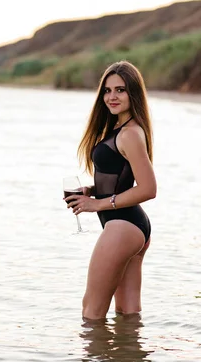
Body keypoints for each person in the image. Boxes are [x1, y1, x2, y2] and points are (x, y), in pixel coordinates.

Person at [64, 61, 156, 321]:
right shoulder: (123, 129)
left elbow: (149, 188)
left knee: (91, 311)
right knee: (128, 314)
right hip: (133, 227)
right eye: (107, 90)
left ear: (133, 93)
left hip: (122, 226)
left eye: (120, 90)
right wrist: (92, 190)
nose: (111, 97)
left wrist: (98, 204)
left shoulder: (129, 134)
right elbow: (123, 178)